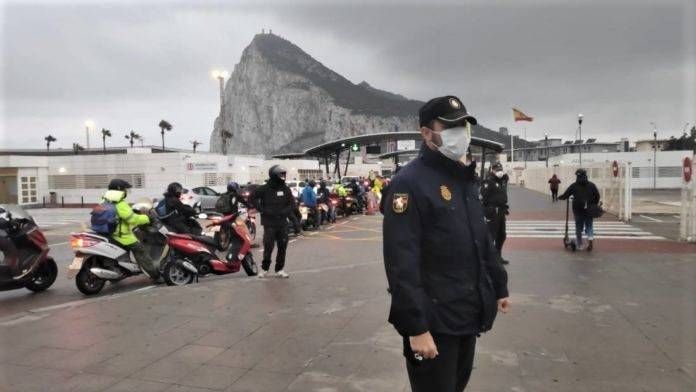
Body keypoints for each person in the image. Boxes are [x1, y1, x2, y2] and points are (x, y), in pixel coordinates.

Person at [383, 96, 510, 392]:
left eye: (464, 125)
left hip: (466, 314)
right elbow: (401, 262)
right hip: (434, 321)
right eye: (451, 126)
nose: (461, 133)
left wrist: (498, 286)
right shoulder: (409, 183)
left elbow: (482, 240)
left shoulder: (464, 179)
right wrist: (416, 328)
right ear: (426, 133)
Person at [103, 179, 160, 281]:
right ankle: (155, 275)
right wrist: (147, 218)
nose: (126, 192)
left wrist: (131, 210)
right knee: (141, 251)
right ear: (119, 189)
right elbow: (133, 219)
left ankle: (117, 275)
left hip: (110, 233)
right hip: (122, 235)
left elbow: (121, 215)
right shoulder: (119, 203)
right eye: (125, 189)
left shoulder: (105, 200)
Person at [249, 165, 295, 278]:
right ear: (274, 175)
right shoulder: (265, 188)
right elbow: (251, 197)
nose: (283, 176)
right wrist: (262, 209)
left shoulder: (286, 189)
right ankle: (265, 269)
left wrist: (286, 212)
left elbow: (292, 204)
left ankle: (279, 269)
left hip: (283, 224)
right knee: (268, 247)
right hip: (269, 224)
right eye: (281, 174)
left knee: (282, 247)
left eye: (284, 174)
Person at [558, 168, 600, 251]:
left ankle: (580, 244)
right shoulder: (592, 185)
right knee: (589, 226)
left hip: (578, 209)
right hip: (589, 209)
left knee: (579, 227)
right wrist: (593, 204)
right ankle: (590, 241)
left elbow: (566, 194)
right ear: (585, 175)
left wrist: (561, 197)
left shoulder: (574, 185)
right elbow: (597, 196)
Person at [480, 162, 510, 265]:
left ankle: (497, 257)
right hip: (492, 212)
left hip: (501, 211)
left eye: (500, 170)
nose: (499, 172)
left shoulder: (502, 181)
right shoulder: (489, 182)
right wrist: (487, 211)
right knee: (491, 236)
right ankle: (487, 259)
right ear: (492, 170)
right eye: (497, 170)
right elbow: (483, 197)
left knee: (502, 235)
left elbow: (505, 181)